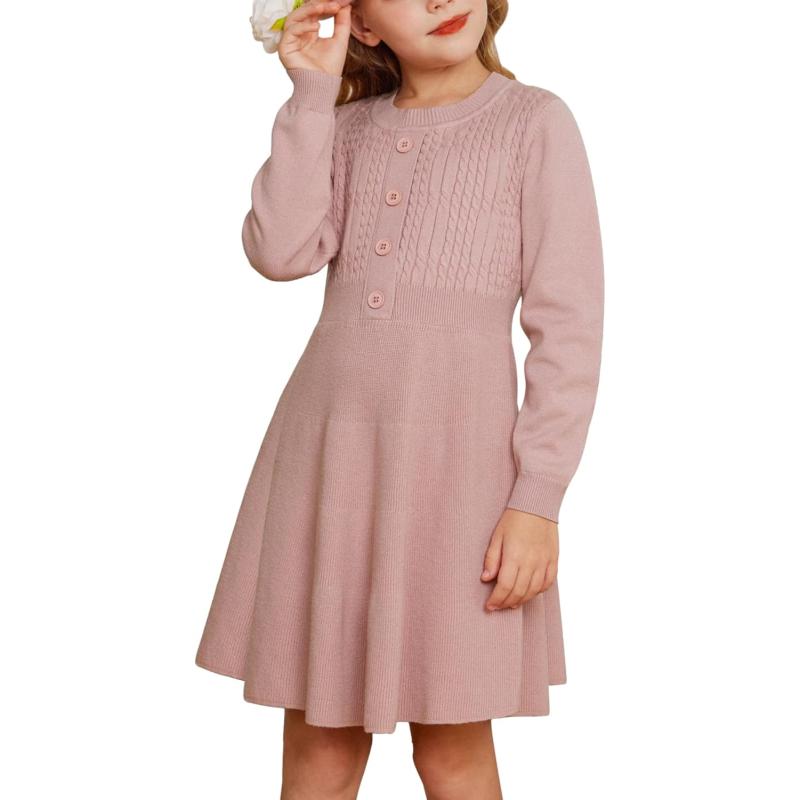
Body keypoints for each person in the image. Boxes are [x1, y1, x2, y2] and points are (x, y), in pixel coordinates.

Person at [195, 1, 604, 796]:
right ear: (364, 23)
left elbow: (571, 327)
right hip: (330, 467)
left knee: (451, 748)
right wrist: (311, 96)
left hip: (460, 481)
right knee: (319, 751)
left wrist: (539, 498)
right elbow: (279, 252)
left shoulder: (535, 123)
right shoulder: (343, 129)